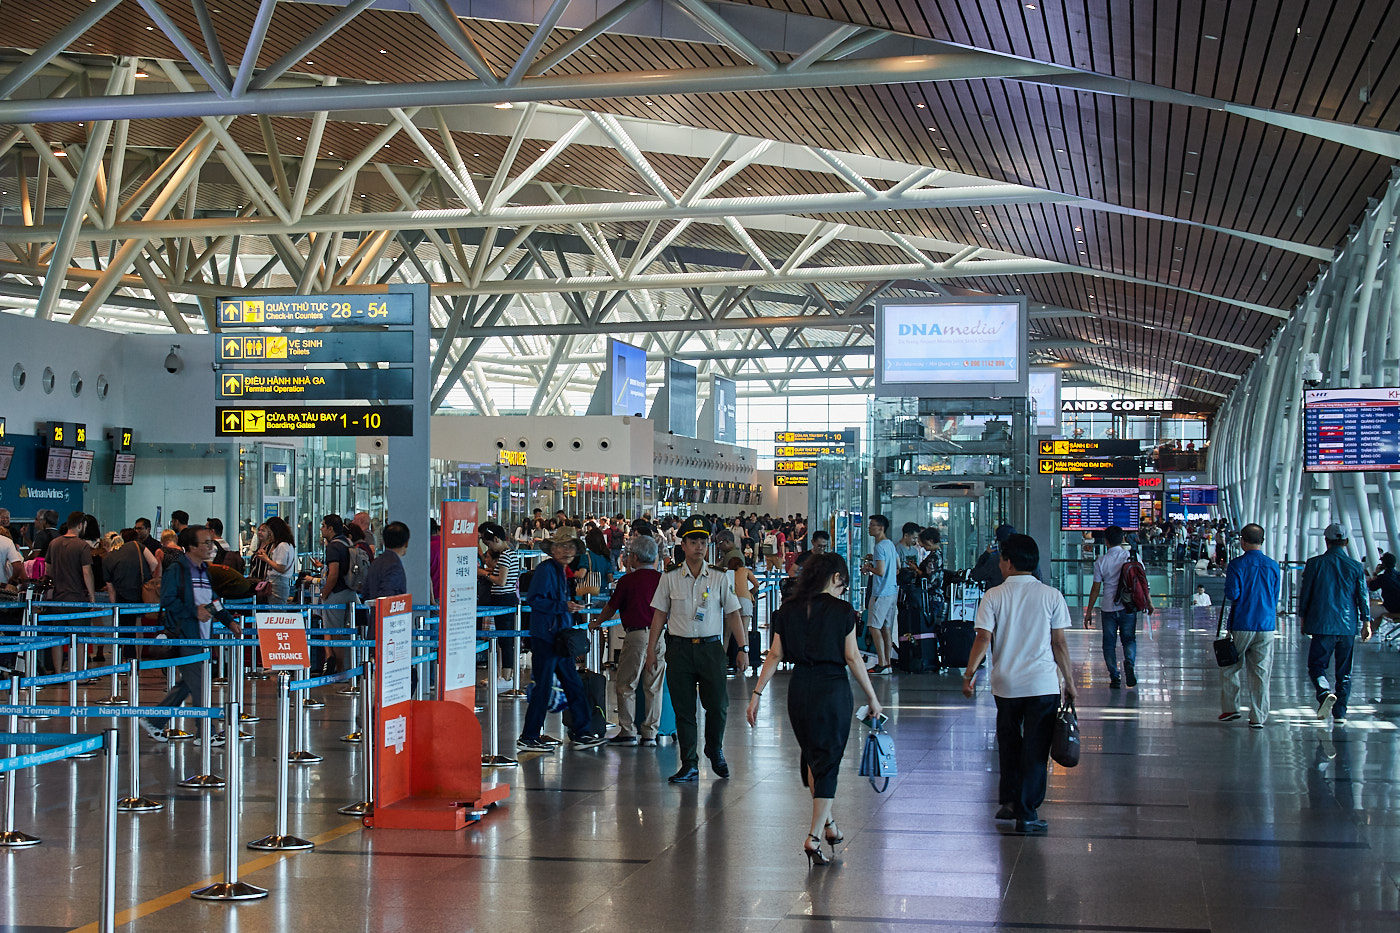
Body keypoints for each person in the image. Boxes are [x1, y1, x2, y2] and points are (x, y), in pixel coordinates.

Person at [745, 552, 881, 866]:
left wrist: (756, 694)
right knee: (828, 759)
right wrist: (872, 698)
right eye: (843, 585)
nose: (843, 591)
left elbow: (775, 655)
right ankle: (814, 836)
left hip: (798, 689)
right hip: (831, 688)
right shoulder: (843, 611)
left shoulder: (787, 610)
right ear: (836, 578)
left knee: (812, 754)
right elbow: (852, 658)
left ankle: (830, 825)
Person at [962, 534, 1076, 835]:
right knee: (1036, 749)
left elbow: (983, 638)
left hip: (1006, 685)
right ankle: (1027, 813)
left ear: (1009, 562)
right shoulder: (1051, 595)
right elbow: (1059, 643)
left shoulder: (993, 596)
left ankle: (1011, 801)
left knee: (1009, 744)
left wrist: (969, 673)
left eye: (1001, 559)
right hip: (1042, 685)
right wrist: (1070, 681)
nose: (999, 564)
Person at [646, 515, 746, 783]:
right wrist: (651, 649)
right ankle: (689, 762)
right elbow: (659, 615)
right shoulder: (669, 578)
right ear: (684, 544)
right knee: (684, 709)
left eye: (703, 541)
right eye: (693, 541)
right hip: (678, 650)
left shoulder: (719, 577)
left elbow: (733, 613)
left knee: (718, 706)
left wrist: (743, 648)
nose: (698, 546)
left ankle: (714, 748)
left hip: (711, 650)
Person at [141, 525, 242, 741]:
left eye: (210, 542)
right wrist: (194, 611)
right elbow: (168, 600)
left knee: (189, 683)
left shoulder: (204, 570)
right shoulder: (177, 570)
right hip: (185, 635)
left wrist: (229, 622)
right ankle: (207, 733)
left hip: (202, 635)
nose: (210, 546)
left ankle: (154, 720)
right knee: (198, 684)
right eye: (205, 543)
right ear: (191, 547)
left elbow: (213, 601)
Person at [517, 527, 605, 751]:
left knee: (573, 685)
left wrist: (569, 608)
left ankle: (582, 732)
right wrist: (562, 606)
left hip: (560, 638)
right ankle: (529, 736)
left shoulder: (561, 572)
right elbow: (535, 600)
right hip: (547, 638)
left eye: (571, 546)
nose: (567, 550)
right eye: (562, 546)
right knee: (544, 688)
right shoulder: (547, 570)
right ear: (553, 549)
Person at [593, 536, 665, 746]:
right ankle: (650, 733)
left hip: (636, 636)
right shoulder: (662, 579)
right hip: (659, 635)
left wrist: (597, 623)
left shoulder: (627, 581)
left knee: (626, 684)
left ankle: (628, 731)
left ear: (634, 557)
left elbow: (611, 607)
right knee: (653, 686)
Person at [1298, 523, 1369, 723]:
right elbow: (1362, 596)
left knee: (1317, 665)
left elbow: (1306, 594)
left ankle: (1323, 693)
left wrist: (1303, 618)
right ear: (1346, 542)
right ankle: (1340, 713)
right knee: (1344, 671)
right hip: (1347, 625)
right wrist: (1367, 622)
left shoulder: (1314, 563)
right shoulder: (1356, 566)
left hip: (1322, 624)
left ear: (1326, 540)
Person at [1218, 523, 1280, 729]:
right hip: (1266, 624)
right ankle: (1258, 717)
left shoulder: (1237, 565)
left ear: (1242, 541)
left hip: (1242, 622)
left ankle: (1231, 709)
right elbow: (1275, 594)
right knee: (1261, 672)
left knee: (1230, 667)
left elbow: (1233, 594)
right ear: (1262, 541)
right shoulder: (1273, 565)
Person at [1083, 525, 1138, 689]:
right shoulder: (1132, 556)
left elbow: (1096, 588)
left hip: (1108, 607)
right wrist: (1148, 602)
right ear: (1123, 539)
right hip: (1128, 605)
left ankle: (1114, 676)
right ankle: (1129, 661)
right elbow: (1141, 582)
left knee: (1109, 643)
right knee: (1129, 639)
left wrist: (1089, 611)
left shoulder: (1101, 561)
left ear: (1106, 541)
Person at [46, 509, 96, 671]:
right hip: (77, 599)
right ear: (80, 525)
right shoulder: (82, 546)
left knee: (57, 639)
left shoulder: (54, 544)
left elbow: (48, 570)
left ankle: (58, 673)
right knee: (80, 639)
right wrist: (92, 596)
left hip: (58, 598)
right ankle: (79, 674)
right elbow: (86, 572)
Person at [478, 522, 521, 690]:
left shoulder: (505, 556)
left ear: (496, 539)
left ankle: (506, 676)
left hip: (504, 599)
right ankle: (504, 675)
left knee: (505, 638)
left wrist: (484, 574)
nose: (488, 547)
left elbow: (501, 581)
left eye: (488, 543)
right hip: (505, 599)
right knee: (504, 638)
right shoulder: (511, 554)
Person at [317, 514, 357, 673]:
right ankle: (349, 668)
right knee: (346, 633)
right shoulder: (348, 542)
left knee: (335, 634)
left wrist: (324, 594)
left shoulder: (333, 546)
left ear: (330, 528)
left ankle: (341, 671)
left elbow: (333, 574)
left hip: (337, 593)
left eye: (323, 525)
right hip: (350, 591)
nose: (321, 529)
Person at [860, 514, 899, 674]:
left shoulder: (879, 547)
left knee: (873, 626)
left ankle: (882, 663)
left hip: (880, 592)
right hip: (892, 591)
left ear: (881, 528)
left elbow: (881, 571)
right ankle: (887, 663)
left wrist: (869, 567)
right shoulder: (890, 544)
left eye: (872, 525)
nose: (869, 527)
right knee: (886, 628)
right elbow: (897, 566)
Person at [361, 521, 409, 601]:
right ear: (406, 543)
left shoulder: (376, 562)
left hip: (374, 611)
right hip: (388, 611)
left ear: (384, 542)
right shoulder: (394, 565)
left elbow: (366, 592)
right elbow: (387, 597)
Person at [254, 517, 296, 604]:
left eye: (270, 532)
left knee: (276, 612)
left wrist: (266, 559)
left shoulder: (282, 546)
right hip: (278, 582)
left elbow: (281, 568)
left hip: (278, 583)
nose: (270, 535)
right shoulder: (286, 545)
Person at [1364, 552, 1400, 641]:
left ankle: (1370, 632)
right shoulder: (1398, 575)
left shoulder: (1383, 577)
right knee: (1379, 610)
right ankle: (1374, 631)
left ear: (1383, 564)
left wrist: (1376, 573)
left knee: (1367, 612)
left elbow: (1371, 587)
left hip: (1391, 608)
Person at [969, 524, 1016, 589]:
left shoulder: (995, 561)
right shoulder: (1026, 559)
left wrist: (986, 554)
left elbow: (976, 575)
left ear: (1000, 543)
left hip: (998, 597)